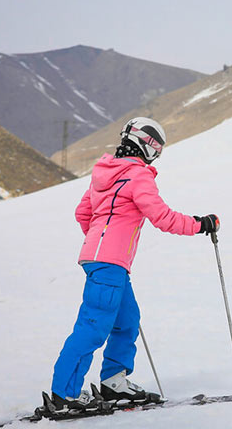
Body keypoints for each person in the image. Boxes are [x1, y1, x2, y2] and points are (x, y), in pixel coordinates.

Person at [49, 117, 219, 412]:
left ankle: (113, 382)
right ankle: (64, 394)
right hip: (108, 263)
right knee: (93, 326)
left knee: (127, 320)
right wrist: (200, 224)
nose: (157, 156)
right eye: (157, 149)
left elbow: (83, 213)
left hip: (102, 261)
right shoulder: (138, 175)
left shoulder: (105, 172)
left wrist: (99, 244)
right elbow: (162, 217)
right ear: (147, 144)